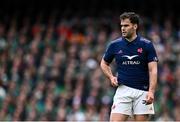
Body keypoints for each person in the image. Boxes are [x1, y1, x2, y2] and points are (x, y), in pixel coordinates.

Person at [100, 12, 158, 121]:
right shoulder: (114, 45)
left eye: (126, 25)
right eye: (121, 26)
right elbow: (103, 63)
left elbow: (153, 70)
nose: (123, 28)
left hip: (143, 92)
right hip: (123, 90)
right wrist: (111, 77)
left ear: (135, 26)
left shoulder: (147, 45)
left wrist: (151, 91)